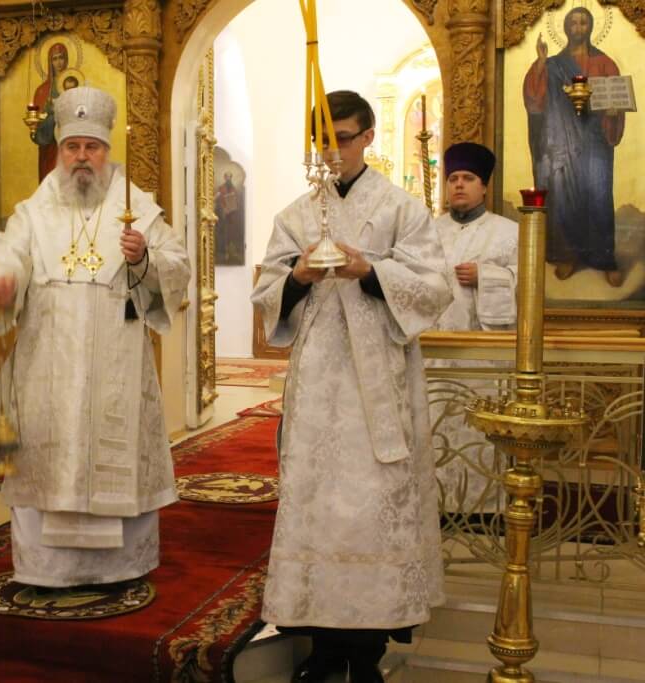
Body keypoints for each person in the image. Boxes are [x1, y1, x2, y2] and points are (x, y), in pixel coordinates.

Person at [251, 91, 452, 683]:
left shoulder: (400, 208)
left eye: (342, 138)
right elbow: (267, 292)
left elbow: (435, 286)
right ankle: (322, 648)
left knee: (370, 510)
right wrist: (297, 276)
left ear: (367, 137)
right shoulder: (296, 214)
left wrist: (372, 271)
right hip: (318, 382)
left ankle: (366, 654)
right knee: (315, 508)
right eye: (322, 139)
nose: (331, 151)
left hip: (378, 383)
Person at [0, 86, 190, 588]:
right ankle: (45, 569)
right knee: (45, 457)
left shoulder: (139, 208)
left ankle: (122, 568)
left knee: (115, 452)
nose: (82, 157)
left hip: (116, 358)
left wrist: (144, 258)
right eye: (73, 147)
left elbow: (178, 267)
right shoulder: (34, 210)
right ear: (60, 151)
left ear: (106, 151)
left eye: (92, 146)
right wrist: (4, 279)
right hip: (46, 361)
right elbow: (8, 251)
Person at [429, 142, 517, 516]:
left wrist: (487, 275)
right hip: (434, 353)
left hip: (484, 357)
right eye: (453, 178)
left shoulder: (509, 232)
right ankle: (435, 506)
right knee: (434, 427)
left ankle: (483, 510)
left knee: (479, 429)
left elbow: (528, 284)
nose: (459, 185)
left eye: (468, 178)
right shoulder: (428, 231)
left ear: (484, 186)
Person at [523, 6, 625, 286]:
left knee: (598, 194)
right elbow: (534, 101)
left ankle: (604, 258)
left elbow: (616, 100)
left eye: (583, 23)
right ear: (566, 28)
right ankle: (567, 255)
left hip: (595, 140)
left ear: (591, 28)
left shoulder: (605, 64)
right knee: (563, 195)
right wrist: (541, 62)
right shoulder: (553, 65)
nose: (578, 28)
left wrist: (614, 113)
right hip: (562, 140)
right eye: (573, 23)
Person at [32, 43, 69, 181]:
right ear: (50, 62)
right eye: (55, 58)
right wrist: (51, 113)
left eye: (61, 58)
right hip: (50, 148)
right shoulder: (43, 91)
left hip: (69, 146)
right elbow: (37, 126)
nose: (59, 62)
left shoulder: (74, 86)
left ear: (66, 60)